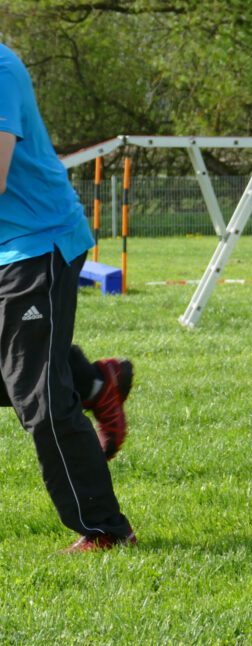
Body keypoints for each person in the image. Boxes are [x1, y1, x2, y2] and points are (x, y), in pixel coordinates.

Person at [0, 42, 136, 553]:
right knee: (23, 374)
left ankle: (105, 530)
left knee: (39, 395)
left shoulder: (0, 69)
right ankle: (93, 382)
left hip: (37, 245)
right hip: (8, 247)